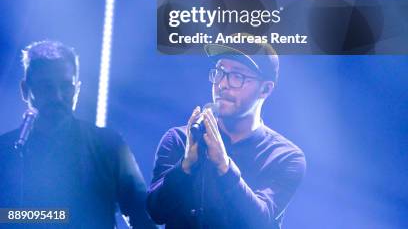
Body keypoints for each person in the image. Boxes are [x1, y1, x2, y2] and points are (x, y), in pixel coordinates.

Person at [147, 42, 306, 228]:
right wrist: (185, 166)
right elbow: (156, 212)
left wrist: (224, 166)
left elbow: (261, 222)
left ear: (265, 89)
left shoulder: (285, 156)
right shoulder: (180, 139)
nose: (222, 84)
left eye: (237, 76)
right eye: (220, 72)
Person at [0, 40, 156, 228]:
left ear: (77, 89)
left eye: (66, 86)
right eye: (46, 87)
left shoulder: (109, 145)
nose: (57, 96)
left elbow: (141, 215)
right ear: (26, 90)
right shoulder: (6, 150)